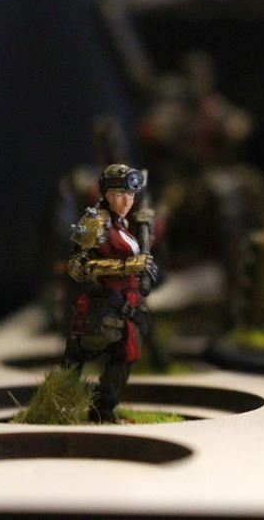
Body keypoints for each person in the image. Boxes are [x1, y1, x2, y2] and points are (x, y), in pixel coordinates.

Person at [63, 163, 158, 422]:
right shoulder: (96, 222)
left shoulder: (122, 222)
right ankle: (58, 404)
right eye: (120, 195)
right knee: (83, 353)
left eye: (131, 195)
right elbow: (77, 267)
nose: (127, 201)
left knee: (126, 357)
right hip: (101, 305)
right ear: (106, 194)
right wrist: (126, 266)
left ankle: (103, 411)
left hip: (127, 306)